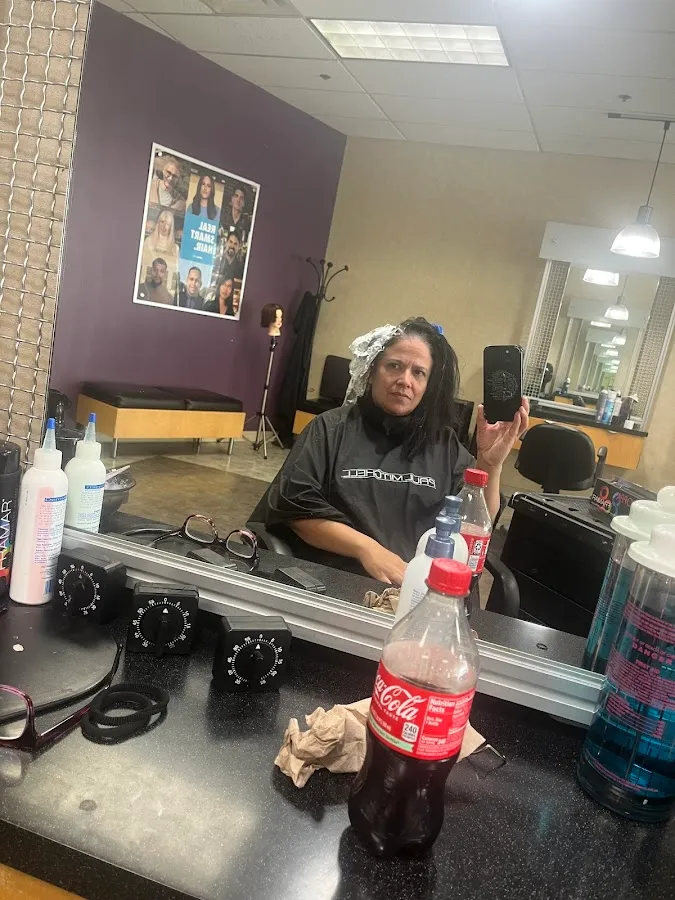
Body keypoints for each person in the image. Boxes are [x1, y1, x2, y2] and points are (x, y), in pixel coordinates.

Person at [252, 317, 529, 585]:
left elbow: (476, 524)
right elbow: (296, 508)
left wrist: (490, 465)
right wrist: (367, 549)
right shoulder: (330, 429)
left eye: (418, 372)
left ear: (428, 384)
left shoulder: (443, 444)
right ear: (372, 372)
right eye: (394, 366)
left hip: (417, 589)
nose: (405, 380)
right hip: (333, 582)